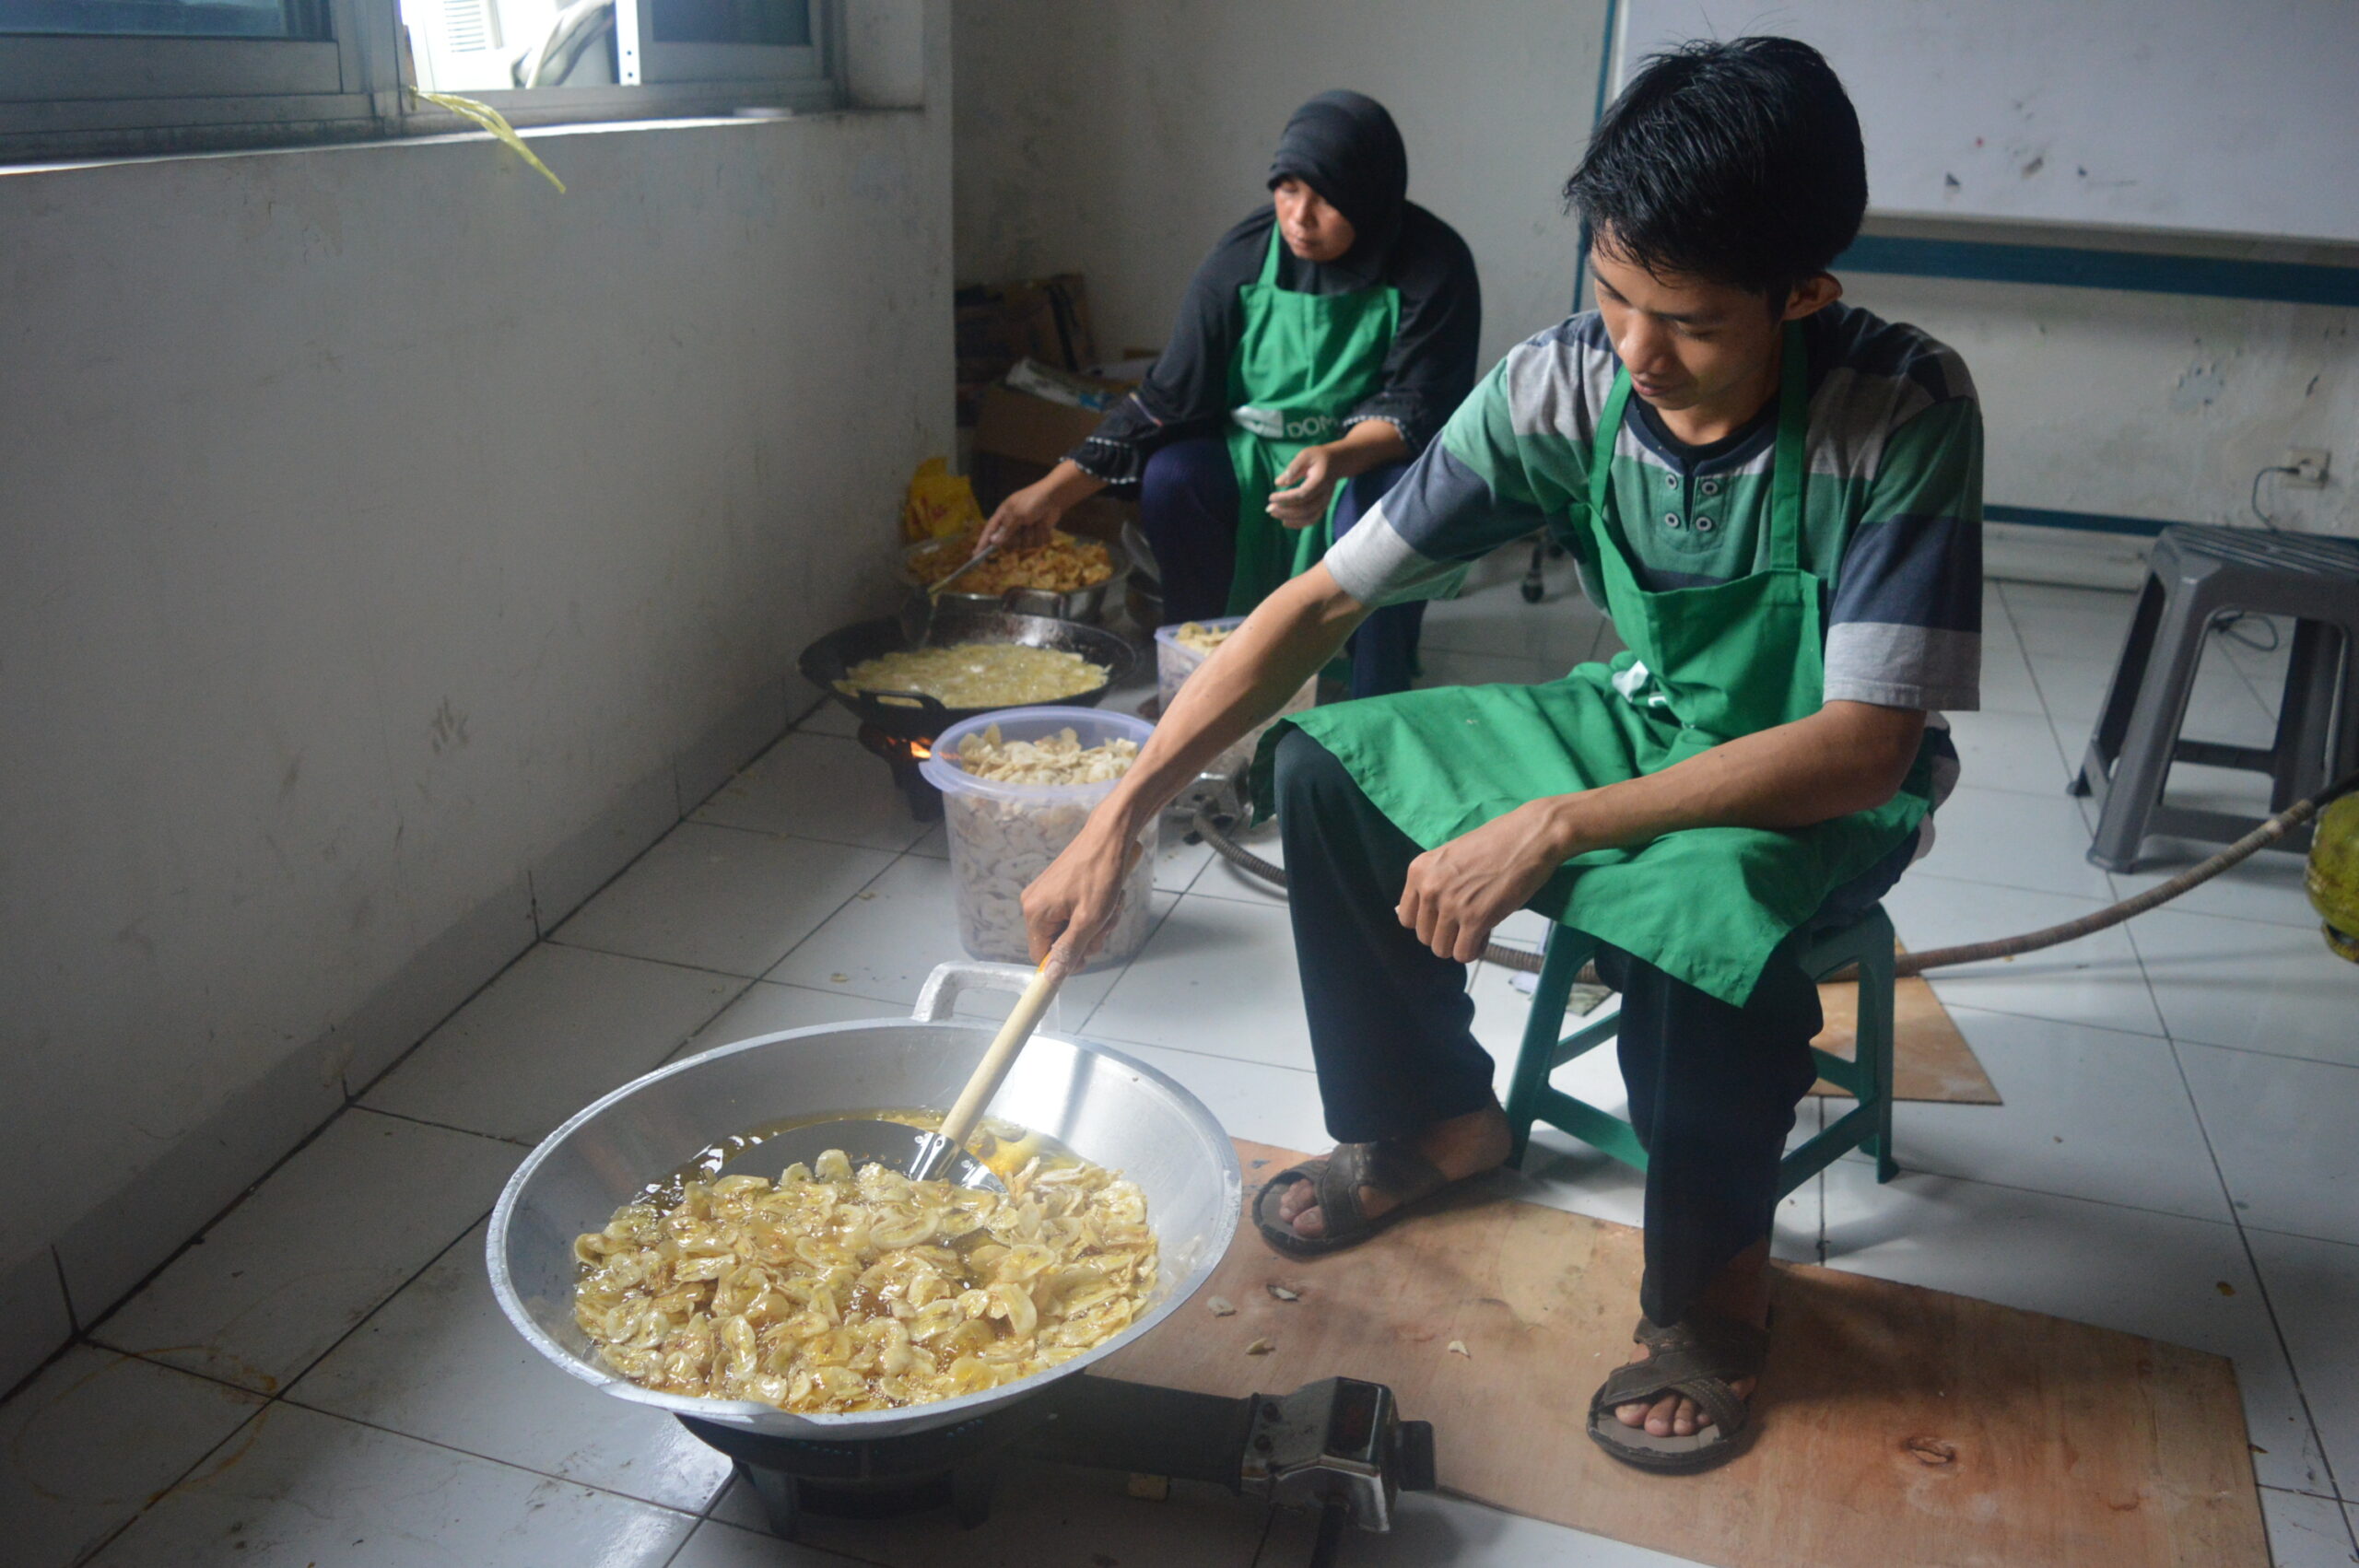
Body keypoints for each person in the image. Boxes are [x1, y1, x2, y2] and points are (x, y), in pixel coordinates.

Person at [1018, 39, 1982, 1474]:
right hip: (1648, 712)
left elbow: (1862, 743)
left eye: (1691, 322)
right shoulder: (1563, 384)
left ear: (1803, 295)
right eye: (1614, 293)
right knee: (1330, 768)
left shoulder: (1900, 408)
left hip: (1825, 778)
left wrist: (1558, 825)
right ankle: (1435, 1124)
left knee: (1695, 909)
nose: (1638, 352)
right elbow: (1321, 604)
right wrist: (1121, 814)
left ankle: (1712, 1293)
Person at [975, 90, 1481, 699]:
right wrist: (1052, 493)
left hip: (1366, 460)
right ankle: (1199, 678)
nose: (1300, 216)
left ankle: (1376, 693)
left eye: (1327, 198)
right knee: (1175, 477)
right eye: (1288, 188)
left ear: (1372, 195)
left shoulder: (1434, 263)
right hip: (1252, 458)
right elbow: (1168, 398)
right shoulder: (1243, 257)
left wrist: (1337, 456)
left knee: (1388, 507)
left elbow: (1419, 407)